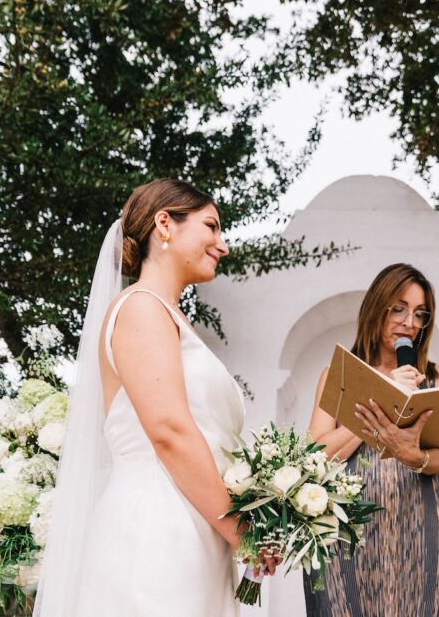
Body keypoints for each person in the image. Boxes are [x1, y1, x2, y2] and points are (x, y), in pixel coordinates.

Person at [35, 179, 273, 616]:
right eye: (211, 227)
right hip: (156, 525)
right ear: (165, 223)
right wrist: (242, 531)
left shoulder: (172, 319)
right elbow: (169, 431)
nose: (222, 245)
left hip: (196, 524)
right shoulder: (142, 307)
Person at [302, 263, 439, 617]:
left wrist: (413, 455)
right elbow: (316, 457)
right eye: (398, 308)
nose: (409, 322)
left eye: (420, 314)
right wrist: (382, 401)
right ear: (376, 308)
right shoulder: (337, 375)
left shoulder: (438, 377)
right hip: (346, 531)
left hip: (419, 529)